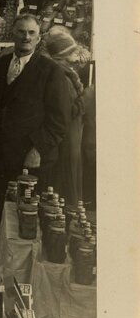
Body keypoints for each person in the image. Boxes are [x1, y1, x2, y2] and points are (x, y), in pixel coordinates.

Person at [0, 14, 74, 236]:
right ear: (13, 34)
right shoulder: (0, 65)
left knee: (27, 216)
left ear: (39, 38)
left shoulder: (51, 71)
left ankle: (21, 268)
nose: (26, 37)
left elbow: (60, 120)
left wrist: (38, 148)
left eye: (31, 33)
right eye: (21, 32)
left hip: (30, 156)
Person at [42, 27, 91, 206]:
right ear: (64, 54)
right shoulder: (61, 74)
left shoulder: (65, 70)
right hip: (67, 135)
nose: (77, 54)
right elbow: (67, 108)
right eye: (72, 50)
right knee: (67, 175)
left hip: (71, 134)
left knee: (69, 172)